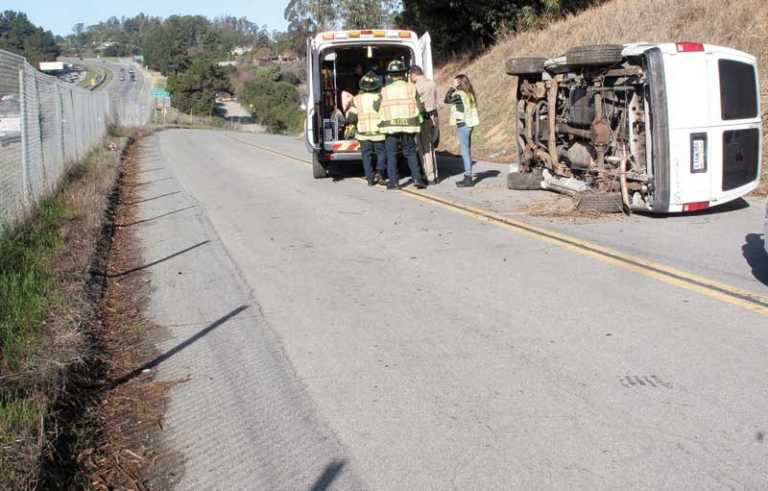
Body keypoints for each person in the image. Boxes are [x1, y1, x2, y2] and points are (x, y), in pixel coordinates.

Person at [377, 60, 427, 190]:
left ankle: (394, 182)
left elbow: (377, 106)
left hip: (390, 126)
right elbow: (420, 105)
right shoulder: (411, 88)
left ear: (390, 75)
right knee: (410, 153)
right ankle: (417, 179)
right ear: (403, 73)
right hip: (408, 126)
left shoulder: (385, 90)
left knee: (391, 154)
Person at [346, 71, 387, 185]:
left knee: (366, 155)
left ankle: (369, 178)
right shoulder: (380, 98)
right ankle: (381, 175)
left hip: (363, 133)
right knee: (381, 153)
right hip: (379, 132)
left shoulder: (357, 99)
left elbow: (352, 118)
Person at [445, 74, 480, 188]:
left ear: (459, 83)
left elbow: (446, 100)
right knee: (467, 151)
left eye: (455, 81)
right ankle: (467, 176)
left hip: (463, 125)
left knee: (465, 152)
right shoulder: (469, 94)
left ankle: (468, 177)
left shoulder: (459, 94)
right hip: (470, 124)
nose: (453, 83)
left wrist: (452, 88)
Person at [410, 65, 439, 184]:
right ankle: (434, 175)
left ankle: (427, 174)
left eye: (410, 75)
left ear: (414, 74)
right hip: (433, 116)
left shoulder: (415, 87)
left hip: (422, 118)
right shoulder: (432, 83)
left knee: (422, 148)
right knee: (430, 146)